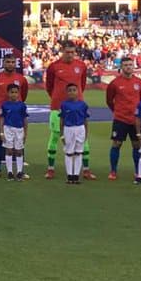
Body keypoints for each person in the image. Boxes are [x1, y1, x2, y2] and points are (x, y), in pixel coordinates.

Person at [44, 42, 95, 180]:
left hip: (77, 107)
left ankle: (85, 169)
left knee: (82, 137)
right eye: (67, 52)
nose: (70, 54)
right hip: (57, 107)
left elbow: (82, 85)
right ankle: (50, 169)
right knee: (56, 135)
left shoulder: (81, 66)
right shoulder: (54, 67)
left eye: (72, 52)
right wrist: (57, 98)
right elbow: (49, 86)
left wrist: (76, 100)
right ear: (62, 51)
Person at [0, 55, 28, 179]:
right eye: (8, 62)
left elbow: (24, 95)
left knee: (19, 143)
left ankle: (20, 171)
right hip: (0, 117)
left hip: (17, 117)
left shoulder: (21, 79)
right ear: (3, 63)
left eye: (12, 62)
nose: (10, 64)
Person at [105, 56, 141, 181]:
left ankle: (139, 172)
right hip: (120, 119)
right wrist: (116, 111)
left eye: (130, 65)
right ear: (121, 67)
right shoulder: (115, 83)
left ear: (133, 66)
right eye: (126, 65)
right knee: (117, 143)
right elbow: (109, 100)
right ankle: (113, 171)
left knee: (137, 145)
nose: (128, 67)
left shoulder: (139, 82)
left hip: (135, 120)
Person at [58, 83, 89, 184]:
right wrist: (61, 134)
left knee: (78, 152)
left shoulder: (83, 104)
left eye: (74, 90)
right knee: (69, 152)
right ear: (67, 92)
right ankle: (69, 175)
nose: (72, 92)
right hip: (68, 129)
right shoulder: (64, 104)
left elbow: (85, 120)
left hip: (80, 128)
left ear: (78, 91)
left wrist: (86, 132)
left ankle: (76, 175)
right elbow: (61, 120)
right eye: (70, 90)